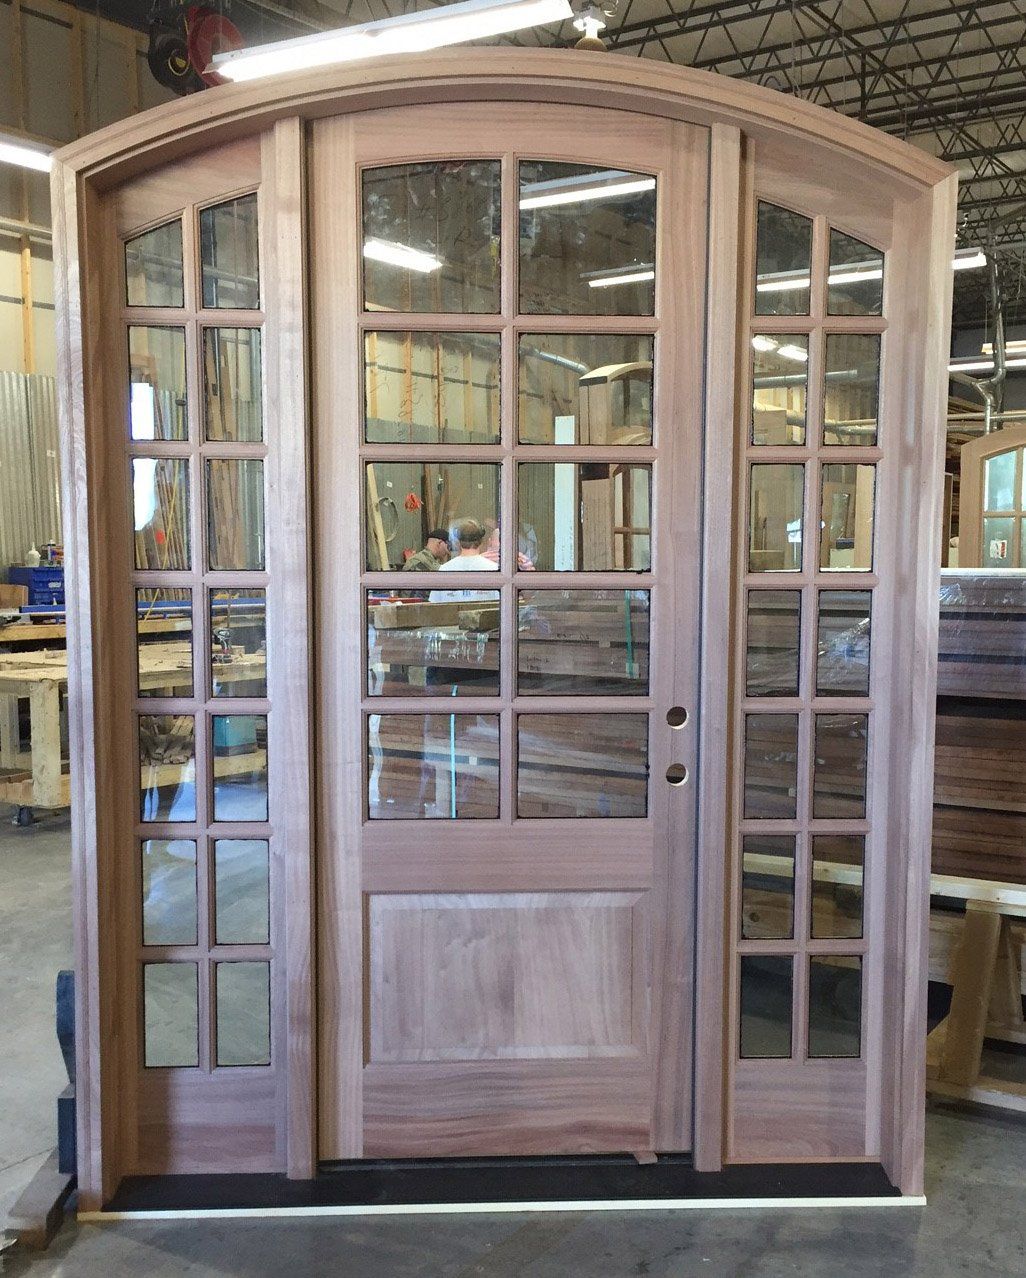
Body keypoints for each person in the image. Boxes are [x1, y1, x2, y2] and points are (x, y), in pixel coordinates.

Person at [429, 517, 499, 603]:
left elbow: (434, 604)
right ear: (481, 541)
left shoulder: (444, 569)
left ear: (458, 542)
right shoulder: (494, 569)